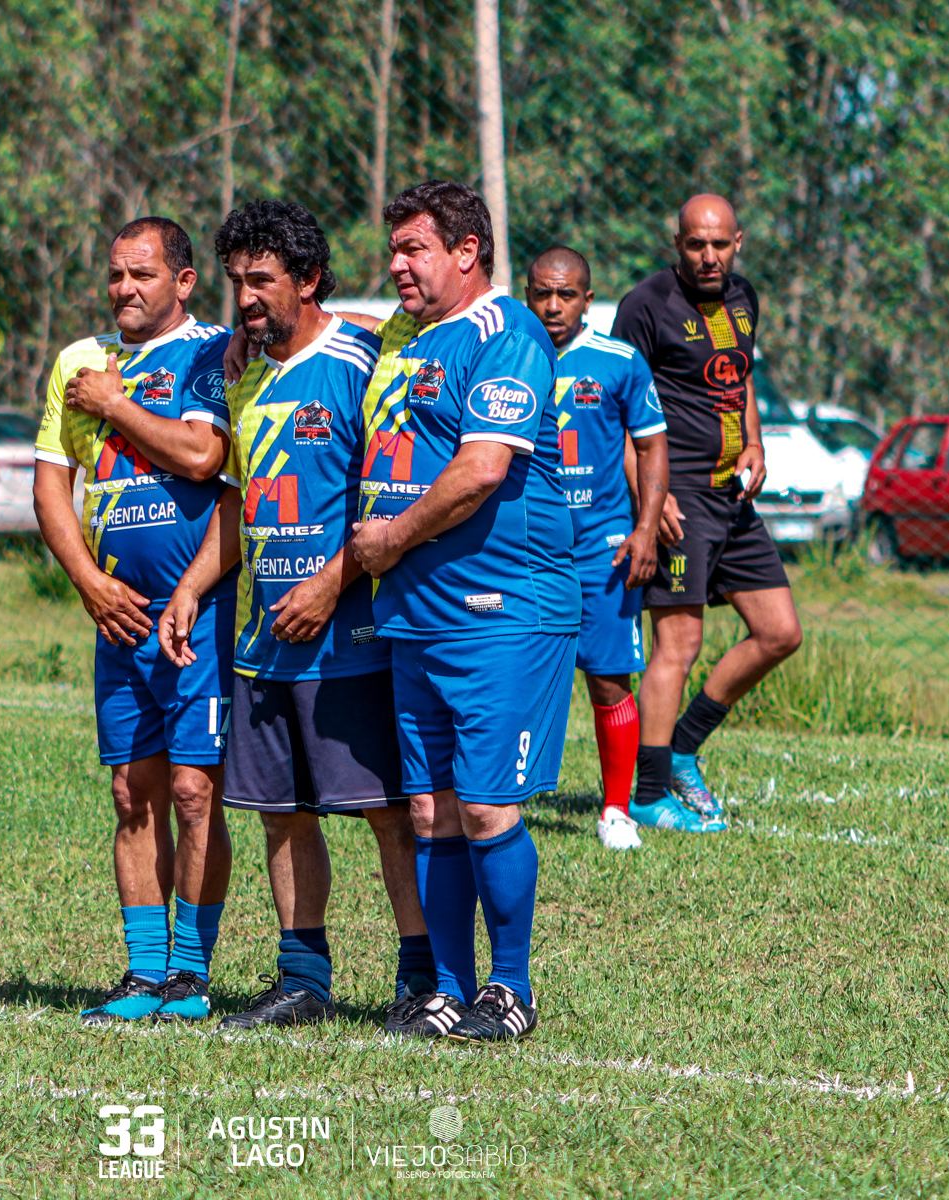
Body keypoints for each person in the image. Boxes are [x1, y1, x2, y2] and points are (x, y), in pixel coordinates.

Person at [171, 199, 434, 1031]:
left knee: (388, 812)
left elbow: (392, 494)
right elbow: (241, 500)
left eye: (262, 280)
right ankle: (303, 979)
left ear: (309, 278)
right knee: (280, 814)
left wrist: (329, 585)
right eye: (236, 282)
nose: (246, 297)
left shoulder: (364, 358)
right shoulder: (241, 374)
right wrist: (191, 588)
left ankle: (420, 976)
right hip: (262, 640)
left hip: (350, 634)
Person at [343, 181, 576, 1042]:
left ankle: (510, 991)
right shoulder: (410, 336)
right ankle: (448, 989)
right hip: (417, 613)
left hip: (502, 609)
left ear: (468, 251)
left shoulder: (507, 332)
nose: (397, 265)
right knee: (430, 811)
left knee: (485, 808)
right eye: (394, 250)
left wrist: (389, 539)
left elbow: (481, 470)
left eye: (414, 249)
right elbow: (345, 336)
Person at [32, 217, 238, 1025]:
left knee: (193, 791)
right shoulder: (75, 362)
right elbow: (52, 483)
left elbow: (203, 457)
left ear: (183, 282)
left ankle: (189, 972)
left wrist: (115, 404)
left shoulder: (212, 353)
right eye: (116, 274)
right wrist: (87, 581)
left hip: (198, 612)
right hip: (117, 617)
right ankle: (144, 971)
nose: (124, 288)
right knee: (131, 793)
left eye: (142, 274)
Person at [611, 194, 802, 832]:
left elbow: (739, 379)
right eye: (696, 244)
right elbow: (616, 407)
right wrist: (651, 497)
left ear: (738, 242)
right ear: (678, 244)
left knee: (779, 632)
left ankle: (684, 747)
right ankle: (648, 792)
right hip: (679, 494)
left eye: (720, 244)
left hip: (733, 495)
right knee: (680, 643)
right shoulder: (646, 305)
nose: (709, 256)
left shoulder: (745, 297)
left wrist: (755, 443)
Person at [525, 247, 668, 852]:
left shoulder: (619, 361)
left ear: (588, 299)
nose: (553, 306)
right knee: (513, 677)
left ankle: (615, 810)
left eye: (566, 294)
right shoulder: (507, 355)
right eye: (542, 293)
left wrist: (646, 528)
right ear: (527, 295)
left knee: (609, 681)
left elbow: (652, 445)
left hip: (602, 548)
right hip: (523, 551)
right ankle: (503, 796)